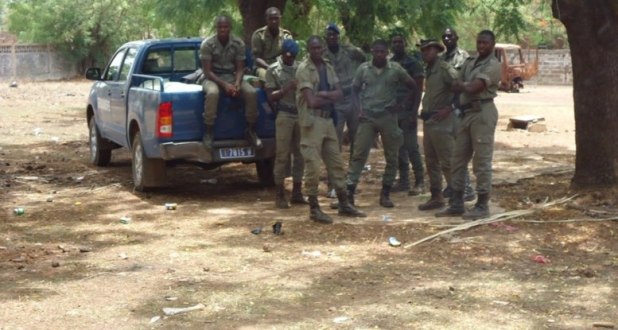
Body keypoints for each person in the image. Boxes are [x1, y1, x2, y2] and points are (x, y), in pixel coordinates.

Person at [295, 36, 366, 224]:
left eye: (319, 48)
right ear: (308, 49)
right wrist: (330, 97)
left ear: (323, 48)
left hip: (327, 121)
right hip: (312, 122)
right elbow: (311, 101)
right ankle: (314, 207)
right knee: (313, 165)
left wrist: (323, 94)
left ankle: (344, 203)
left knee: (336, 162)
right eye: (313, 48)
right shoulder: (304, 69)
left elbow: (340, 93)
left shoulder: (328, 67)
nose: (317, 51)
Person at [346, 39, 420, 208]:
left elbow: (413, 87)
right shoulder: (363, 69)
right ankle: (349, 193)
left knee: (392, 156)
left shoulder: (395, 69)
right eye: (376, 51)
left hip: (388, 117)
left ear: (387, 53)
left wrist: (401, 106)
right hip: (368, 117)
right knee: (358, 154)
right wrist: (358, 110)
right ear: (372, 51)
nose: (379, 54)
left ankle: (385, 193)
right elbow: (354, 90)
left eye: (382, 52)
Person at [436, 30, 501, 220]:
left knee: (481, 161)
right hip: (466, 113)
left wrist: (465, 85)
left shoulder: (493, 65)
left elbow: (474, 88)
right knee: (458, 159)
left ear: (492, 44)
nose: (481, 46)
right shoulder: (471, 62)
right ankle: (456, 202)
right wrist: (465, 84)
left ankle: (482, 204)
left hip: (483, 112)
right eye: (479, 42)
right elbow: (455, 84)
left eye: (485, 43)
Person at [200, 15, 260, 150]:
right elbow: (207, 72)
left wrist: (237, 83)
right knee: (212, 93)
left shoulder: (238, 43)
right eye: (220, 27)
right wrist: (225, 85)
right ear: (216, 28)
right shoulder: (207, 44)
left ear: (230, 28)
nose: (222, 30)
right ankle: (208, 131)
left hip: (232, 76)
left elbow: (240, 68)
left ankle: (251, 130)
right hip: (212, 78)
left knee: (251, 92)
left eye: (225, 27)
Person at [322, 23, 366, 199]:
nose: (332, 37)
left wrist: (359, 79)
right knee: (334, 144)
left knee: (357, 144)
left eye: (335, 35)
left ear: (338, 37)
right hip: (336, 103)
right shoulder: (323, 54)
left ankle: (351, 182)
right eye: (329, 35)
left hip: (353, 99)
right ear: (326, 37)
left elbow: (364, 59)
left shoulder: (349, 50)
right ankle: (334, 183)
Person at [416, 39, 458, 211]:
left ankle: (457, 199)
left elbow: (459, 88)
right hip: (430, 122)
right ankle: (436, 197)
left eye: (428, 50)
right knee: (431, 161)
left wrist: (450, 108)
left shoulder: (444, 69)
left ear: (437, 51)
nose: (425, 53)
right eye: (423, 50)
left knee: (448, 161)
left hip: (443, 122)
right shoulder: (430, 70)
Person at [265, 39, 307, 209]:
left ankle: (297, 191)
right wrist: (286, 89)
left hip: (300, 114)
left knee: (300, 154)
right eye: (288, 56)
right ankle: (280, 192)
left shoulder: (300, 68)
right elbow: (270, 96)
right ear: (282, 54)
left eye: (293, 56)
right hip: (284, 114)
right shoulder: (273, 70)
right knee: (282, 155)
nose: (290, 59)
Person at [441, 27, 476, 202]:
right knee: (447, 151)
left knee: (458, 150)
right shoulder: (442, 58)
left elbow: (463, 83)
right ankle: (453, 185)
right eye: (445, 36)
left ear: (457, 37)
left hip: (456, 108)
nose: (447, 39)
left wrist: (455, 105)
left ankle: (467, 188)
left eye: (450, 36)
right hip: (443, 110)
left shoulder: (462, 57)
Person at [389, 32, 426, 196]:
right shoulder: (390, 63)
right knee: (398, 148)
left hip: (407, 111)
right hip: (393, 113)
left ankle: (420, 181)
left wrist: (413, 113)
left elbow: (418, 90)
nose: (397, 45)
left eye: (399, 41)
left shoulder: (413, 63)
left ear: (405, 44)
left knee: (411, 147)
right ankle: (403, 181)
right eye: (394, 42)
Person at [251, 7, 293, 80]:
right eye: (271, 19)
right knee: (269, 78)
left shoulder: (286, 35)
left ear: (280, 18)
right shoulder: (259, 35)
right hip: (263, 67)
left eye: (276, 18)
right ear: (266, 19)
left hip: (281, 66)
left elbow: (290, 55)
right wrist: (270, 68)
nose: (274, 21)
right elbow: (257, 58)